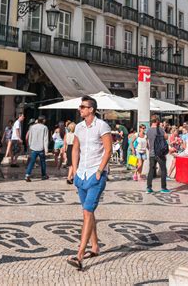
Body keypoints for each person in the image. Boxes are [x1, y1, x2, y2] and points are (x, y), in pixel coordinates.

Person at [67, 96, 112, 271]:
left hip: (95, 174)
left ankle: (79, 255)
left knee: (87, 211)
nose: (80, 109)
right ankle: (95, 246)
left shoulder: (102, 126)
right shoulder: (78, 127)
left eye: (83, 107)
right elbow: (75, 148)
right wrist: (75, 170)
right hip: (82, 175)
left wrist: (100, 171)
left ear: (91, 109)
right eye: (80, 107)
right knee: (87, 212)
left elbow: (108, 150)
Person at [146, 119, 170, 194]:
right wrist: (163, 129)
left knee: (151, 170)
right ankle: (163, 187)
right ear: (157, 122)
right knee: (163, 170)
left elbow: (147, 143)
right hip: (160, 153)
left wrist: (150, 150)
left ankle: (148, 188)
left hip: (151, 154)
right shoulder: (160, 129)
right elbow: (166, 138)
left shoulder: (148, 130)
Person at [25, 115, 49, 182]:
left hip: (33, 147)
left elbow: (30, 137)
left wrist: (30, 145)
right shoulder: (45, 127)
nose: (45, 120)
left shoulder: (32, 127)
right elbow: (45, 139)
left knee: (31, 162)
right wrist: (46, 149)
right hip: (41, 147)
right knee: (42, 162)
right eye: (45, 119)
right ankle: (43, 175)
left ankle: (27, 174)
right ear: (43, 120)